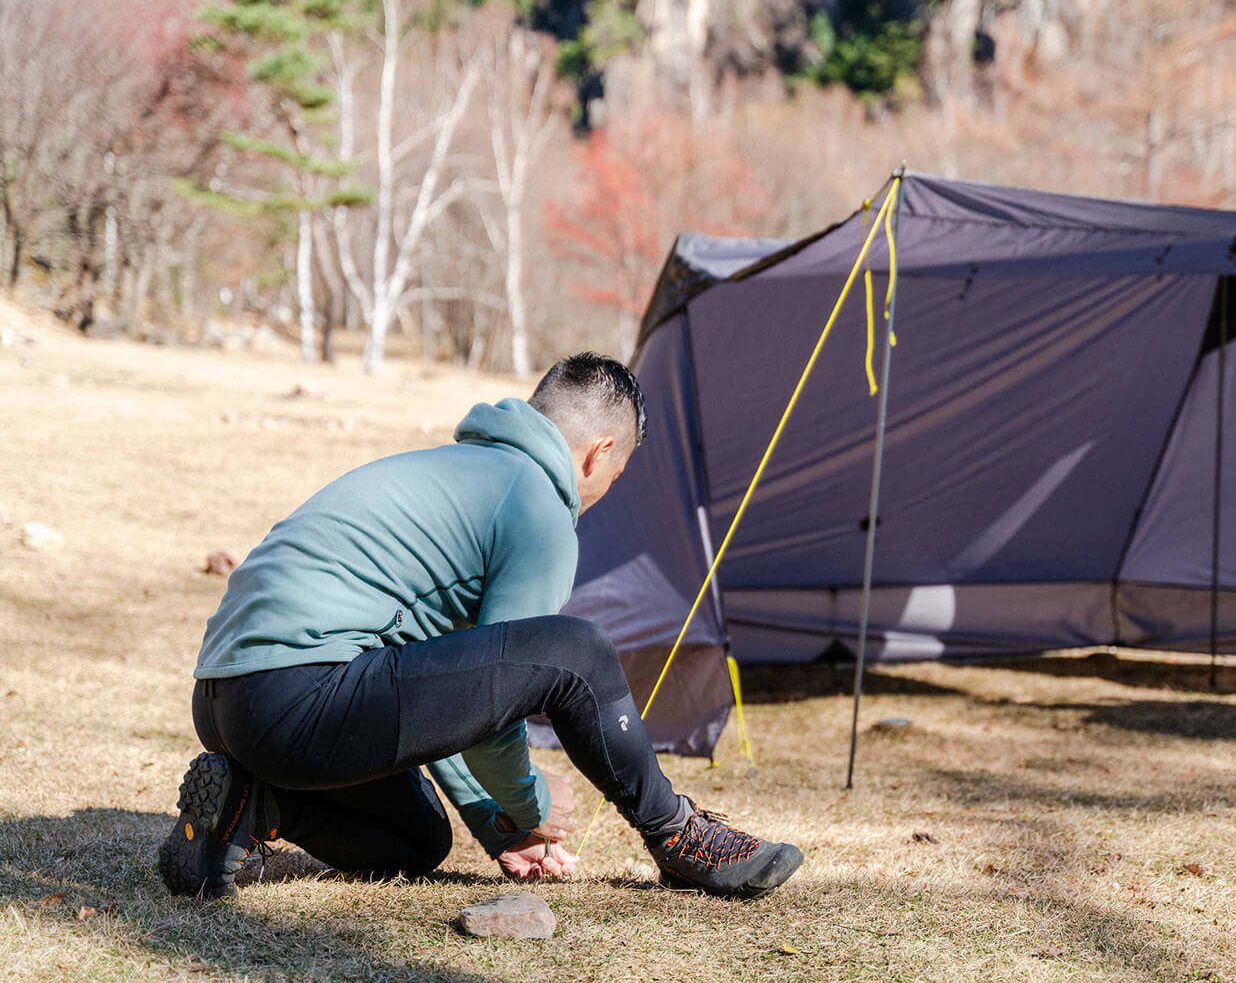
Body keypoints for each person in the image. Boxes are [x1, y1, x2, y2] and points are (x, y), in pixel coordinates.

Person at [158, 353, 802, 901]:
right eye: (616, 475)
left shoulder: (461, 470)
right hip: (301, 694)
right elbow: (502, 697)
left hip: (229, 700)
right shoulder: (534, 503)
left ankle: (249, 807)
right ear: (598, 453)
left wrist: (498, 825)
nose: (604, 490)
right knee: (575, 649)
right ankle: (677, 833)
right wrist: (533, 807)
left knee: (417, 840)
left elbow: (449, 684)